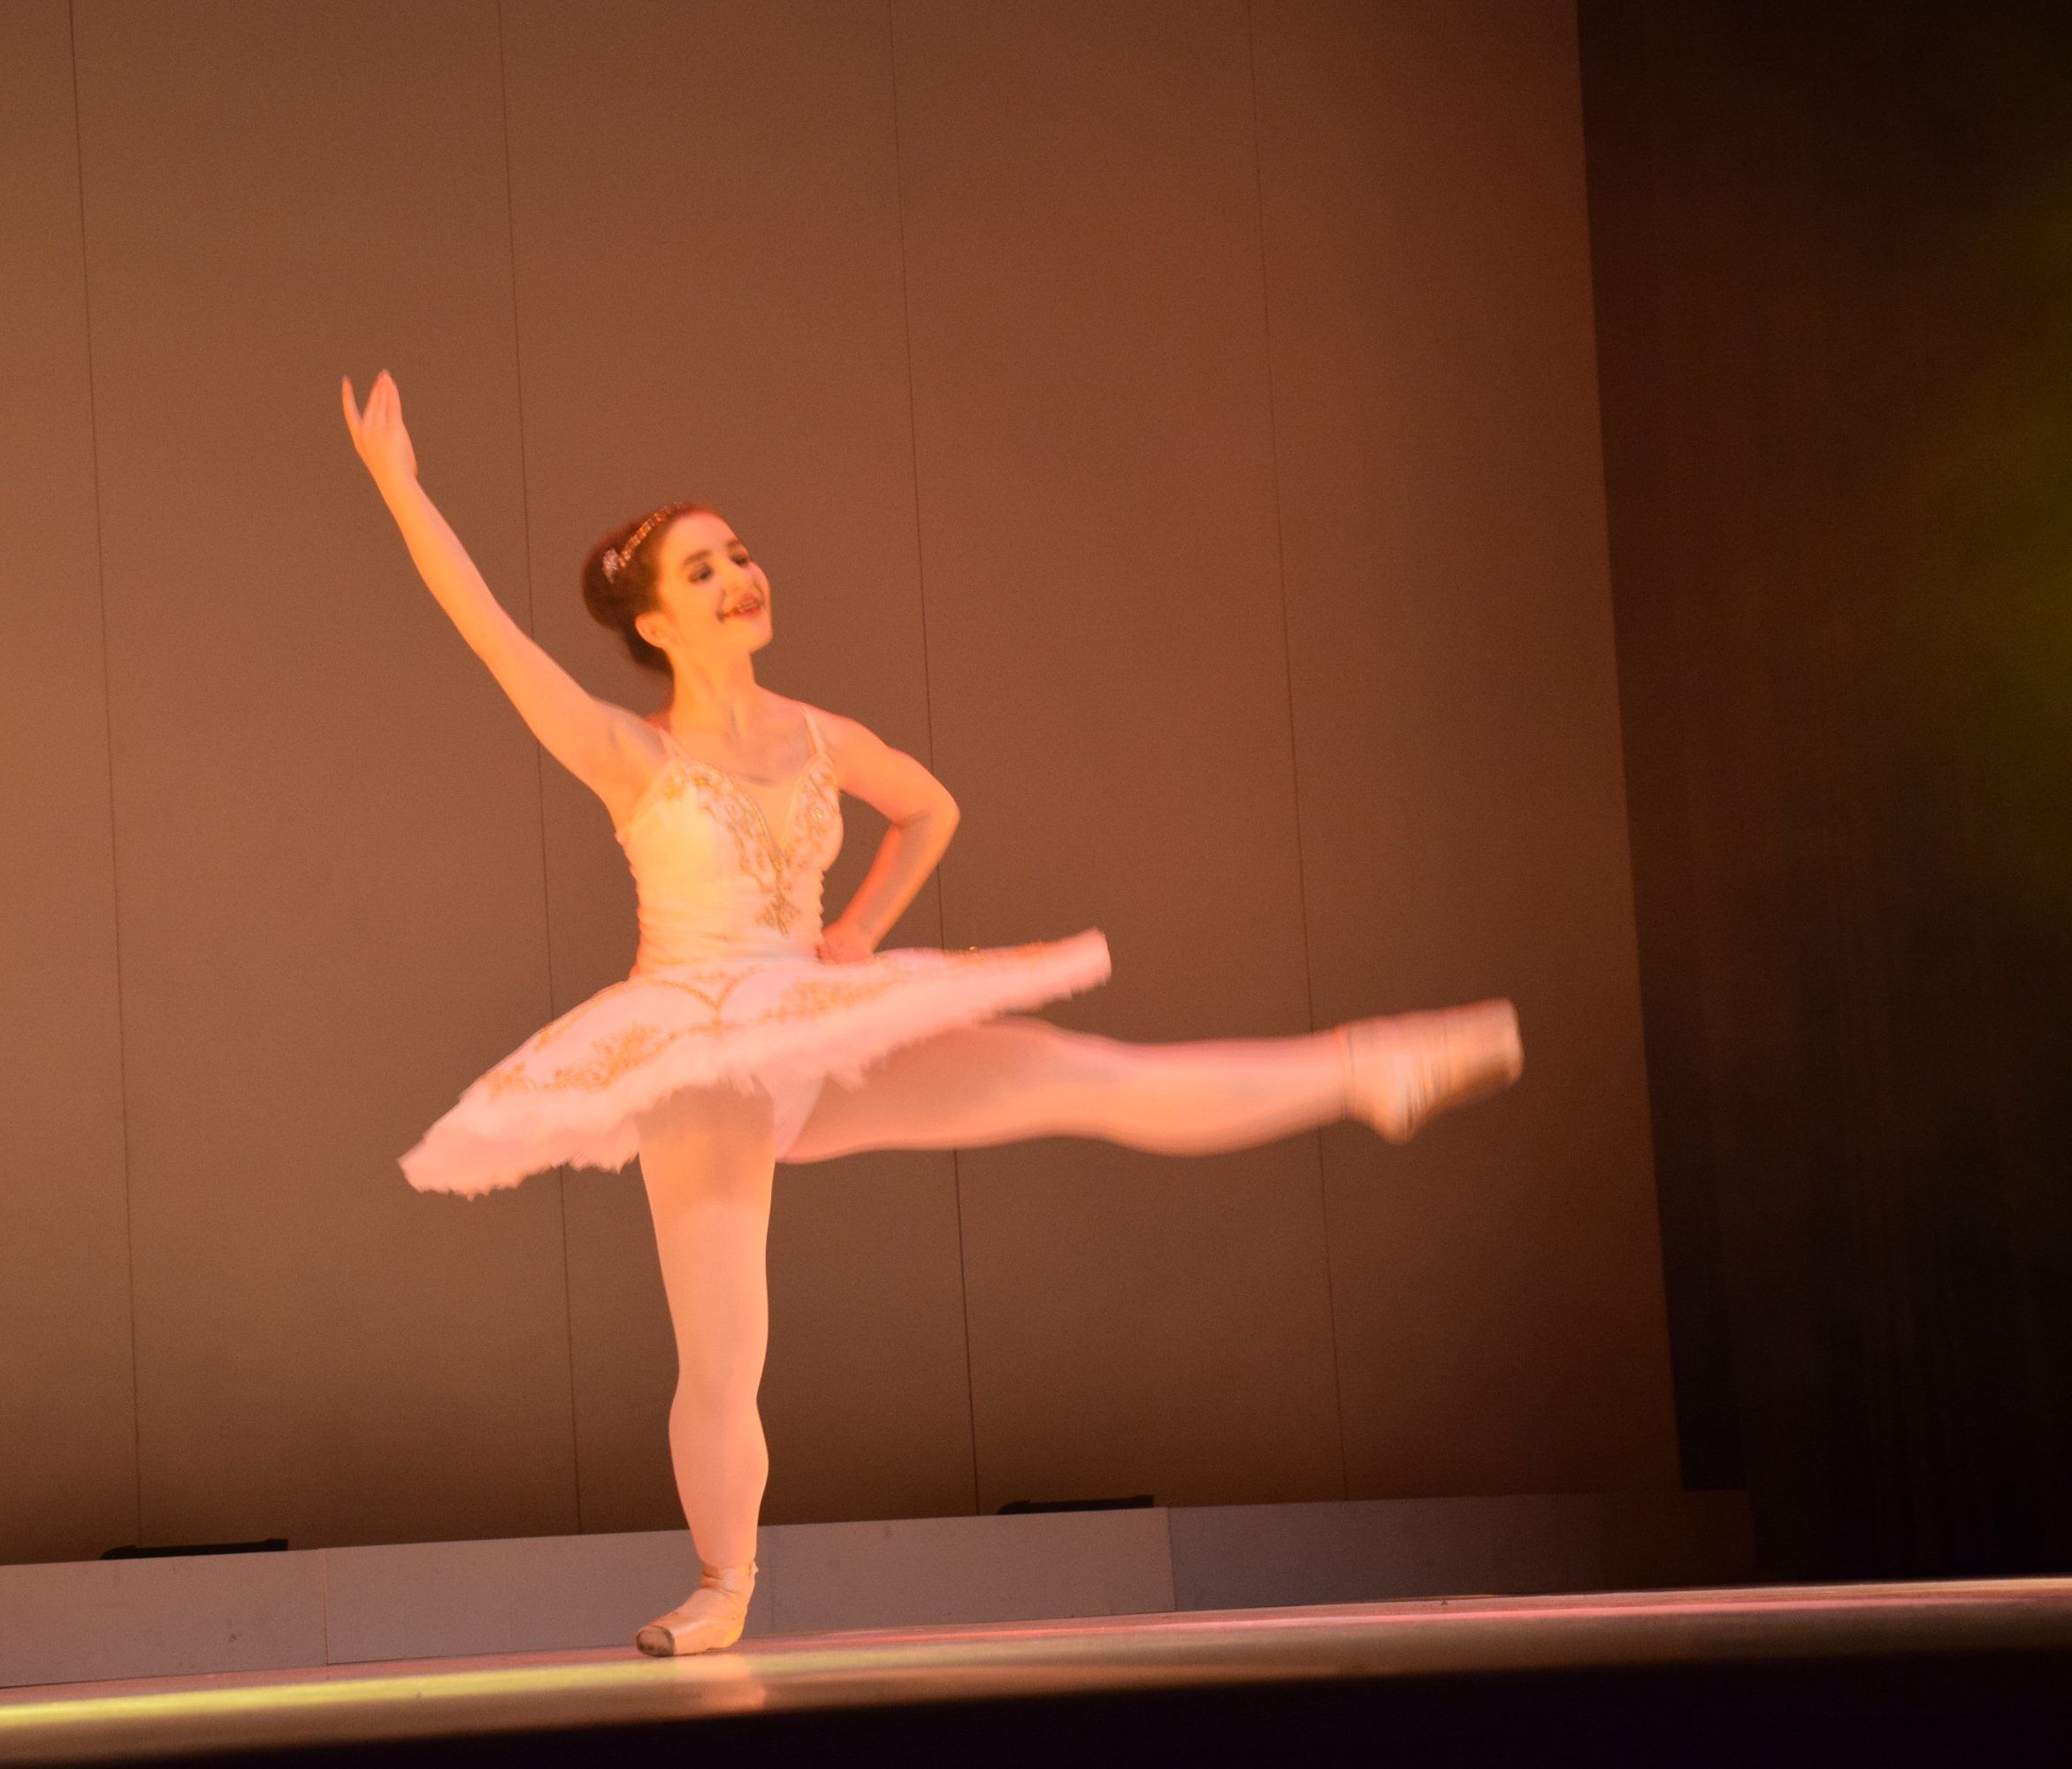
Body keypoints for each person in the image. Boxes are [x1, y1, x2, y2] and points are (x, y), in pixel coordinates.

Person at [340, 371, 1522, 1658]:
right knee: (726, 1349)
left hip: (814, 1019)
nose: (740, 576)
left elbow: (930, 809)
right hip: (698, 1054)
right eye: (704, 570)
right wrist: (402, 489)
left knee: (1081, 1072)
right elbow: (489, 634)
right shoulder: (632, 752)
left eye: (741, 553)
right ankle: (724, 1586)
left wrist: (857, 933)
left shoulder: (821, 735)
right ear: (658, 621)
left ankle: (1365, 1069)